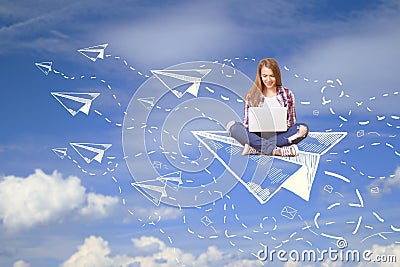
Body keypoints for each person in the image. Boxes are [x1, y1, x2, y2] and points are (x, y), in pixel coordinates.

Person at [226, 58, 308, 157]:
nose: (268, 80)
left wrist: (285, 125)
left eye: (272, 76)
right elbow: (247, 125)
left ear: (277, 76)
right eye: (265, 76)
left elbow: (292, 122)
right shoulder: (251, 95)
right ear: (260, 76)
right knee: (233, 127)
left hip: (279, 135)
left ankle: (257, 148)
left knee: (303, 128)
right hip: (257, 135)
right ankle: (276, 151)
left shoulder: (287, 94)